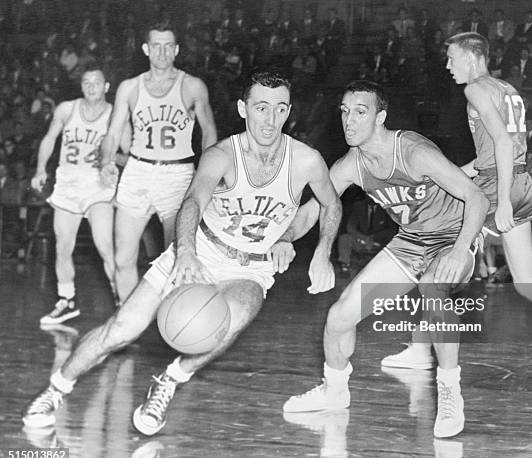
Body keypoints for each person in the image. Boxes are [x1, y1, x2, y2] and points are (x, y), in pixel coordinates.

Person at [22, 70, 342, 436]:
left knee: (236, 316)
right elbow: (191, 203)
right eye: (261, 108)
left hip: (250, 267)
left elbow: (330, 204)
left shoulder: (307, 160)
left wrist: (320, 250)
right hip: (201, 247)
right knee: (121, 329)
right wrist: (186, 253)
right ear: (243, 108)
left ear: (288, 111)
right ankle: (55, 390)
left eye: (280, 109)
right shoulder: (222, 154)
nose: (270, 119)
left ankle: (169, 381)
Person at [383, 32, 532, 383]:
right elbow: (492, 153)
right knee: (526, 281)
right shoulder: (506, 89)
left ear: (472, 57)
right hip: (520, 182)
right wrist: (447, 175)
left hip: (499, 189)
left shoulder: (474, 89)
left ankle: (419, 350)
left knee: (437, 255)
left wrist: (501, 200)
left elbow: (503, 144)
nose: (447, 66)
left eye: (452, 58)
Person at [282, 80, 489, 438]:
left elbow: (477, 199)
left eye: (360, 112)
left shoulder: (413, 151)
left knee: (433, 287)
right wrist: (282, 238)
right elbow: (313, 209)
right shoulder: (352, 164)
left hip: (452, 238)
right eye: (345, 112)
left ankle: (450, 391)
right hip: (410, 243)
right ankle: (334, 391)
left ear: (381, 117)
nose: (349, 120)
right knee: (338, 317)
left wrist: (459, 249)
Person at [99, 21, 217, 304]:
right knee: (123, 255)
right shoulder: (129, 88)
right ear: (146, 49)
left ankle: (173, 318)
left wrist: (208, 177)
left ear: (176, 50)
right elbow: (113, 132)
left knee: (177, 254)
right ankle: (125, 315)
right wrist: (106, 161)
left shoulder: (192, 86)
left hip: (177, 174)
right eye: (156, 46)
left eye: (167, 46)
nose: (162, 52)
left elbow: (209, 132)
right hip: (138, 171)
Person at [31, 65, 120, 324]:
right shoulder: (66, 109)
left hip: (98, 185)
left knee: (105, 245)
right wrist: (39, 169)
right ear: (81, 86)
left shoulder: (115, 114)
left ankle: (121, 299)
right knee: (63, 246)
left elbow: (128, 149)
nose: (91, 87)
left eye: (97, 83)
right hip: (68, 183)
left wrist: (111, 163)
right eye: (86, 83)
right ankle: (66, 300)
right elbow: (49, 139)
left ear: (106, 87)